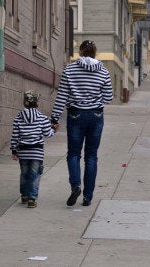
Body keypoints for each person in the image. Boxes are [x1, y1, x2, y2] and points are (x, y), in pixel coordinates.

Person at [51, 40, 113, 207]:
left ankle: (75, 185)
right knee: (91, 157)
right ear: (95, 52)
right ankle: (88, 197)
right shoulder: (104, 71)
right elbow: (108, 97)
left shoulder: (70, 70)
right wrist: (95, 100)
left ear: (80, 52)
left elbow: (62, 95)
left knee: (73, 154)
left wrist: (54, 118)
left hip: (75, 115)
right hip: (96, 115)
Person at [10, 90, 56, 208]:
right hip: (37, 151)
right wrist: (54, 129)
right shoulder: (43, 118)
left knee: (24, 173)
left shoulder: (18, 118)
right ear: (37, 104)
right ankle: (31, 198)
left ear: (24, 103)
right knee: (34, 174)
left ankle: (24, 195)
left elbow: (15, 135)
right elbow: (48, 134)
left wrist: (14, 150)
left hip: (23, 151)